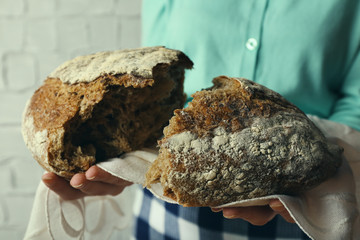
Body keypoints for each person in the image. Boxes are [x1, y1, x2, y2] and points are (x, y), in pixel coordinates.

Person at [42, 0, 360, 239]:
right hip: (171, 201)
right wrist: (123, 163)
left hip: (304, 206)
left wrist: (302, 165)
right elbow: (155, 72)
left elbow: (356, 103)